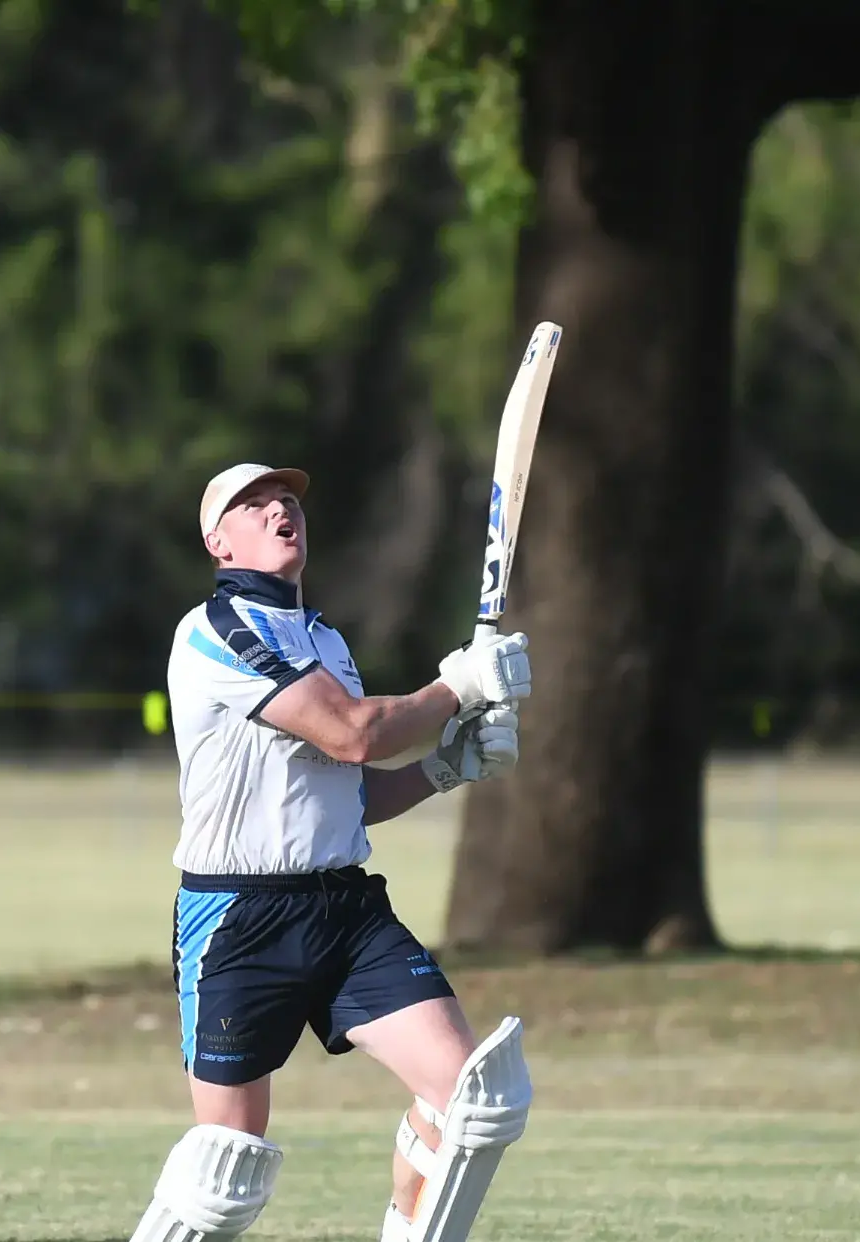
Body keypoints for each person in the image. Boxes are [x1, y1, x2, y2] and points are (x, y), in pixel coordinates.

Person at [126, 463, 535, 1242]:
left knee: (474, 1099)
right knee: (224, 1174)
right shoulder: (220, 628)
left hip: (344, 908)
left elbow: (345, 796)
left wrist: (446, 767)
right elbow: (353, 732)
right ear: (217, 541)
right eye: (253, 503)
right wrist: (458, 685)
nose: (280, 507)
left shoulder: (321, 640)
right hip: (237, 919)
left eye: (286, 499)